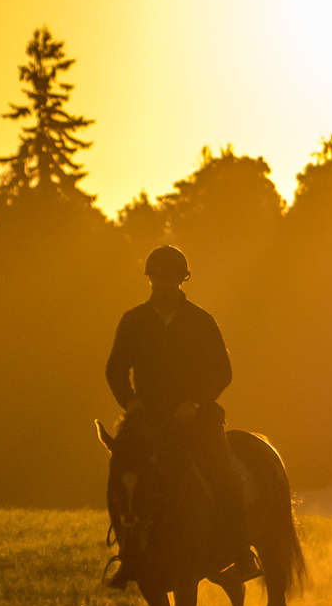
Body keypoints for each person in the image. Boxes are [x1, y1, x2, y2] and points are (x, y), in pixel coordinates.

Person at [103, 244, 257, 587]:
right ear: (150, 280)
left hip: (196, 417)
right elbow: (115, 369)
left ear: (181, 280)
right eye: (157, 279)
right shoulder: (134, 321)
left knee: (225, 474)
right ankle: (127, 557)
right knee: (123, 476)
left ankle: (241, 552)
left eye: (170, 279)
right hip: (148, 419)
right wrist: (130, 402)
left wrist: (196, 403)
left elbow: (222, 371)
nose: (163, 285)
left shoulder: (201, 321)